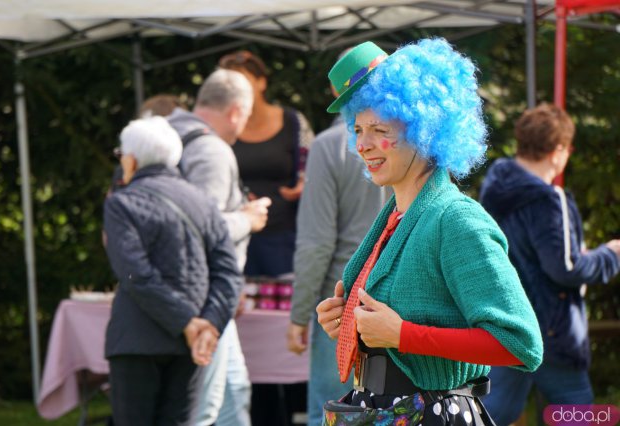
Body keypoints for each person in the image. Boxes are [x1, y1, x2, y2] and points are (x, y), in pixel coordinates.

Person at [315, 39, 544, 425]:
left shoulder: (455, 220)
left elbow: (521, 344)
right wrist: (347, 323)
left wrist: (403, 335)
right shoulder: (394, 218)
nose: (363, 144)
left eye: (378, 128)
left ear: (425, 130)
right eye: (357, 129)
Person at [479, 103, 620, 425]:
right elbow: (565, 268)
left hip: (506, 323)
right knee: (579, 414)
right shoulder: (547, 198)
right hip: (551, 330)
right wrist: (610, 255)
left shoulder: (495, 185)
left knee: (491, 414)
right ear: (558, 150)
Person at [103, 116, 243, 426]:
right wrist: (207, 323)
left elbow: (134, 273)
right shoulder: (203, 203)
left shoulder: (122, 203)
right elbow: (229, 275)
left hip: (138, 340)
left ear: (132, 159)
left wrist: (187, 323)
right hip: (189, 345)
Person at [160, 70, 269, 426]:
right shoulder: (212, 151)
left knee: (234, 392)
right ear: (236, 111)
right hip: (205, 296)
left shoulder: (163, 132)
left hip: (169, 290)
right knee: (204, 408)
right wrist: (247, 219)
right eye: (246, 117)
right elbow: (199, 232)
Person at [286, 84, 388, 425]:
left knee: (332, 414)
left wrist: (300, 315)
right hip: (398, 302)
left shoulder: (328, 146)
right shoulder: (414, 143)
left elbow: (316, 244)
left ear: (334, 92)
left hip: (342, 305)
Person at [218, 50, 314, 278]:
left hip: (284, 237)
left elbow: (314, 165)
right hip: (237, 236)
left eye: (241, 80)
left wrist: (305, 182)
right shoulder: (223, 126)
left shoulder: (293, 121)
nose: (234, 89)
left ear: (261, 82)